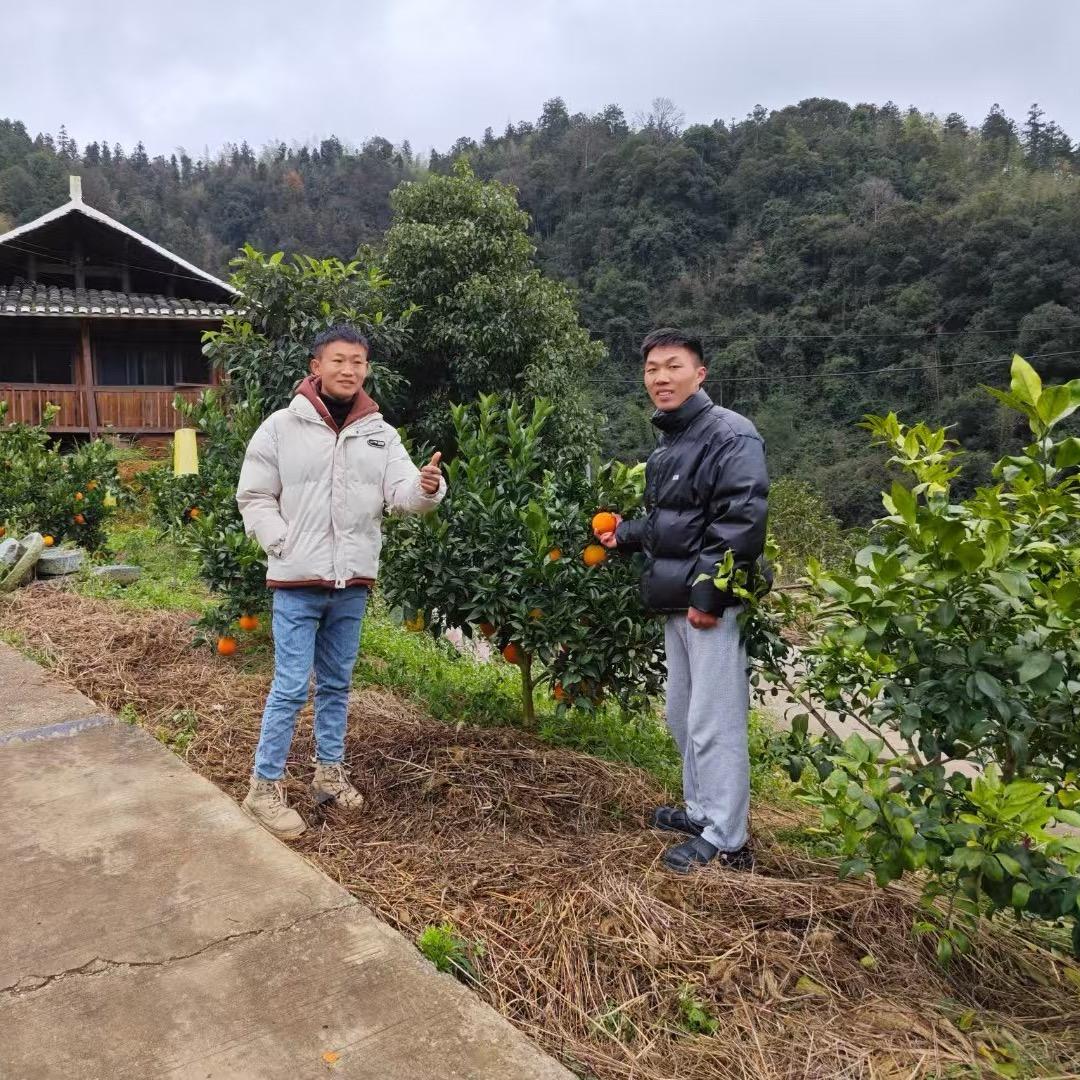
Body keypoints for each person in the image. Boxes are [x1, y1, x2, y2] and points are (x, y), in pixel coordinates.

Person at [236, 324, 446, 838]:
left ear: (366, 369)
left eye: (357, 361)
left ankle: (328, 774)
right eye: (338, 360)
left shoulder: (379, 432)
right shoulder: (281, 427)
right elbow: (255, 494)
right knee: (290, 686)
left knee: (336, 683)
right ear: (316, 366)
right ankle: (263, 788)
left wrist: (427, 488)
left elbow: (402, 495)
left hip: (351, 581)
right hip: (297, 581)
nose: (348, 369)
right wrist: (280, 542)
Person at [595, 328, 768, 872]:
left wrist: (710, 594)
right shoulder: (674, 441)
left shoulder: (729, 435)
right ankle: (700, 810)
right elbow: (676, 525)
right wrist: (624, 534)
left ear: (700, 373)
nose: (660, 378)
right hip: (680, 600)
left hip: (708, 604)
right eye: (651, 369)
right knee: (683, 714)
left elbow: (740, 519)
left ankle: (727, 837)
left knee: (714, 719)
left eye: (673, 366)